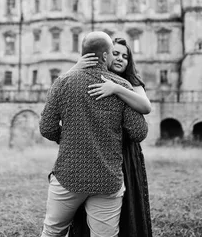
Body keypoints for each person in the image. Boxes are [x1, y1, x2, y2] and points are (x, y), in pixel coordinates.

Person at [39, 32, 149, 237]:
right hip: (107, 178)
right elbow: (139, 132)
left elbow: (47, 128)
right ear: (106, 56)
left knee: (53, 231)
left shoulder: (63, 82)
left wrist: (69, 137)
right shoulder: (122, 86)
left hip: (69, 174)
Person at [68, 37, 154, 237]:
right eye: (115, 53)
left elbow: (145, 106)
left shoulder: (132, 82)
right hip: (96, 149)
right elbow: (62, 89)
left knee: (127, 203)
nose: (120, 59)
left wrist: (116, 88)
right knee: (90, 206)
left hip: (125, 152)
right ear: (105, 55)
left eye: (125, 56)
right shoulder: (90, 77)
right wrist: (75, 67)